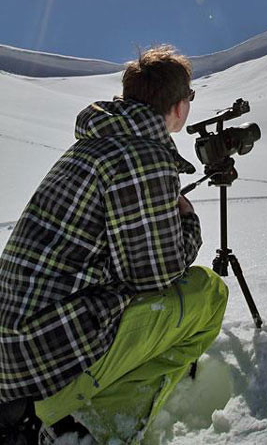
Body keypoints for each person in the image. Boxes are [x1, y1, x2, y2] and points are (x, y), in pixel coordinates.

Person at [0, 45, 228, 444]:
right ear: (177, 106)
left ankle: (55, 411)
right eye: (189, 98)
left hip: (12, 344)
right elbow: (154, 275)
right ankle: (95, 427)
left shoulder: (94, 143)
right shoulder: (144, 154)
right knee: (208, 292)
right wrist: (188, 221)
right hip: (42, 356)